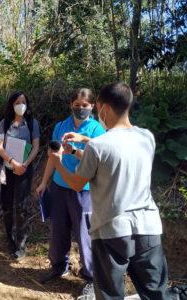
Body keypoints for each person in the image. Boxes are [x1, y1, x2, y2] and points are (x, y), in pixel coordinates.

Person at [50, 82, 169, 299]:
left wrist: (57, 162)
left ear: (102, 108)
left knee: (110, 294)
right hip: (148, 227)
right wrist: (79, 148)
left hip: (112, 230)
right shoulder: (147, 138)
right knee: (155, 293)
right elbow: (112, 159)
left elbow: (77, 183)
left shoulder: (98, 146)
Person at [36, 88, 105, 294]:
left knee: (85, 234)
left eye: (85, 105)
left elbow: (99, 159)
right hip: (59, 186)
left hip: (83, 189)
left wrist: (74, 151)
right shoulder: (61, 126)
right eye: (77, 105)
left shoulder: (96, 130)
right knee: (58, 230)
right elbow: (53, 156)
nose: (80, 109)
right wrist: (43, 182)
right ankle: (58, 266)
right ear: (71, 105)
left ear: (92, 106)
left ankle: (92, 278)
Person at [0, 91, 40, 261]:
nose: (20, 105)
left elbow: (36, 146)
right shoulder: (4, 123)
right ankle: (9, 238)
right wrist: (13, 162)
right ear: (11, 105)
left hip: (24, 170)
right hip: (7, 170)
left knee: (22, 206)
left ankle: (21, 244)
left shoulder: (32, 123)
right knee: (7, 205)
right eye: (17, 102)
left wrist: (25, 165)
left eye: (23, 101)